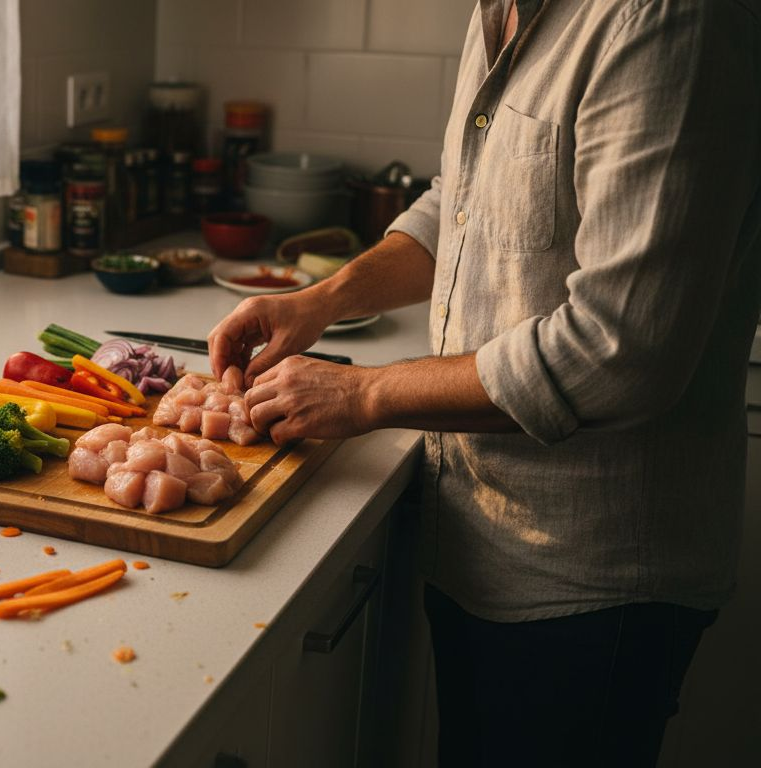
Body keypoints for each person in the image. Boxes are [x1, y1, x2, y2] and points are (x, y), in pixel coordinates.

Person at [208, 1, 760, 765]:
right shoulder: (502, 9)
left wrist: (364, 394)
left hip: (596, 580)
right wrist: (321, 302)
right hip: (482, 533)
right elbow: (464, 205)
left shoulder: (669, 20)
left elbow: (618, 352)